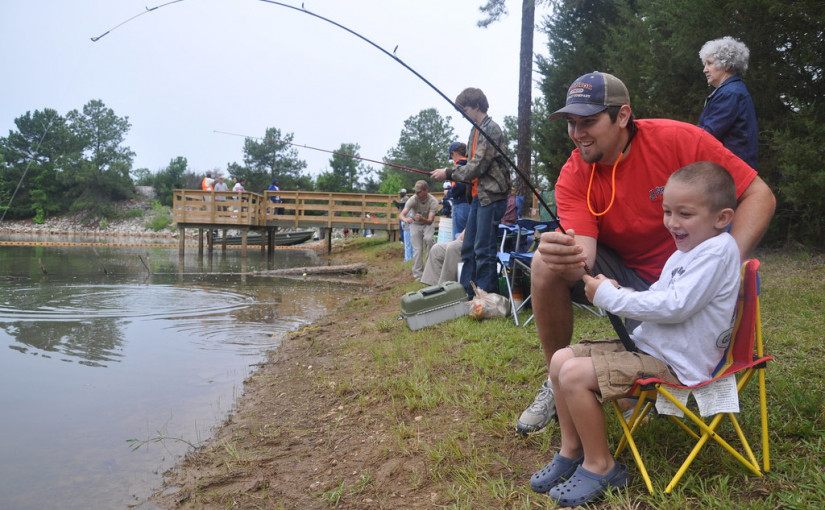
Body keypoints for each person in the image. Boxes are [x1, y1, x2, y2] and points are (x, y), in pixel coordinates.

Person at [515, 71, 775, 435]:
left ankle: (638, 374)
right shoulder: (574, 173)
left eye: (588, 121)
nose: (577, 134)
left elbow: (759, 193)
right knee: (544, 263)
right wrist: (564, 254)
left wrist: (724, 258)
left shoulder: (677, 139)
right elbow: (585, 257)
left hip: (690, 277)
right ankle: (553, 381)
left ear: (622, 116)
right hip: (631, 283)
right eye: (571, 123)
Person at [531, 161, 742, 505]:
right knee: (560, 358)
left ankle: (602, 466)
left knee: (572, 374)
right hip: (650, 349)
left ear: (721, 218)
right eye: (667, 211)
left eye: (684, 214)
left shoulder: (718, 252)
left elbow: (675, 306)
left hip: (676, 366)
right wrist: (616, 290)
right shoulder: (685, 253)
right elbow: (658, 296)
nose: (672, 222)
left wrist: (611, 297)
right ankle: (571, 449)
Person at [431, 88, 510, 298]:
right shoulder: (475, 130)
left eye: (464, 109)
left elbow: (478, 165)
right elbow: (472, 166)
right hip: (477, 197)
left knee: (484, 249)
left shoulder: (491, 129)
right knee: (468, 248)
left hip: (491, 197)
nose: (462, 113)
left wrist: (448, 173)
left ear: (476, 106)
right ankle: (465, 293)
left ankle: (486, 296)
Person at [698, 36, 758, 169]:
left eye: (709, 63)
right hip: (731, 170)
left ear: (727, 65)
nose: (705, 70)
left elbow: (707, 134)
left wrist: (679, 137)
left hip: (731, 172)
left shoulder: (730, 93)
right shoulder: (731, 91)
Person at [401, 180, 439, 281]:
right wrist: (406, 219)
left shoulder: (433, 201)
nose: (416, 193)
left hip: (427, 223)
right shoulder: (412, 199)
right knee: (417, 250)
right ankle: (418, 276)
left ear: (426, 191)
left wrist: (423, 219)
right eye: (416, 191)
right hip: (415, 224)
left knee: (429, 240)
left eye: (419, 191)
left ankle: (429, 271)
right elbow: (402, 214)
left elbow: (430, 221)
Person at [445, 142, 471, 239]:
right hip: (471, 203)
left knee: (458, 236)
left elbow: (460, 185)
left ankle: (459, 254)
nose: (452, 159)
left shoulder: (459, 165)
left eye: (452, 156)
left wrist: (449, 193)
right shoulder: (471, 164)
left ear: (455, 153)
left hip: (461, 205)